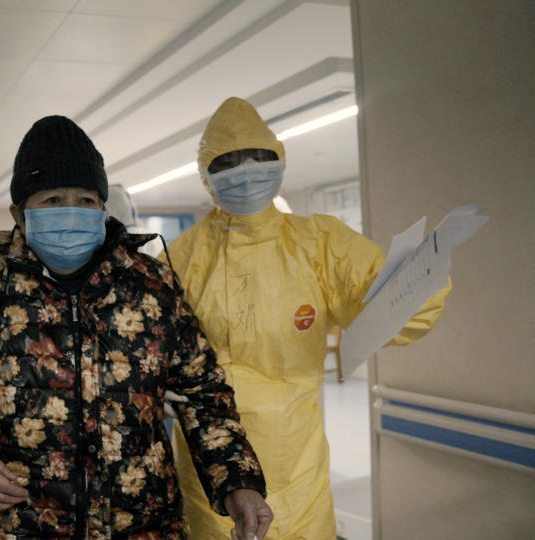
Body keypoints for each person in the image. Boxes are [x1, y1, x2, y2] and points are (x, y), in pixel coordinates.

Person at [0, 115, 272, 539]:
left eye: (86, 199)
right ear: (19, 213)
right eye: (51, 199)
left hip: (144, 526)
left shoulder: (150, 283)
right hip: (18, 526)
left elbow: (204, 393)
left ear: (102, 208)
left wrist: (238, 482)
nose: (71, 210)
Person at [164, 97, 451, 539]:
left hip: (299, 457)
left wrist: (419, 281)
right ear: (207, 176)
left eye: (259, 158)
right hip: (213, 464)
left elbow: (386, 305)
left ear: (279, 159)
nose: (245, 171)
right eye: (229, 162)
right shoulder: (182, 258)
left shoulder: (320, 244)